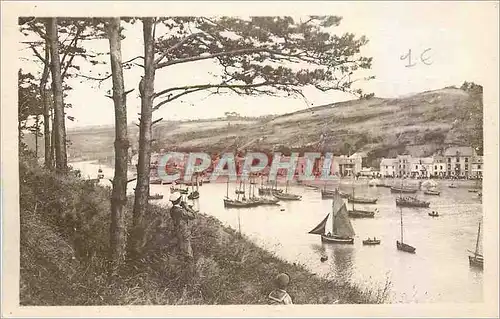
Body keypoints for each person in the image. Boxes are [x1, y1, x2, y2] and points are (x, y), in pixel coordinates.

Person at [169, 192, 197, 261]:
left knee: (181, 249)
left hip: (177, 231)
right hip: (184, 233)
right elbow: (194, 216)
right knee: (187, 251)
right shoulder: (181, 211)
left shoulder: (172, 209)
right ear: (180, 199)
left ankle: (182, 263)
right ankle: (189, 266)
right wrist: (187, 208)